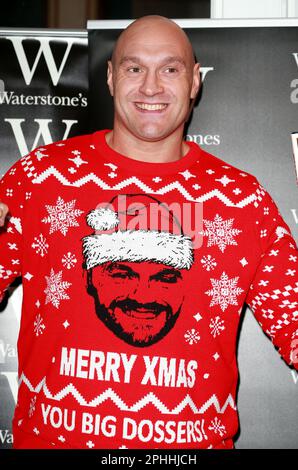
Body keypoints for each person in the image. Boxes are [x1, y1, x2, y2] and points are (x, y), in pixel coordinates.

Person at [0, 15, 297, 450]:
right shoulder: (41, 177)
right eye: (134, 68)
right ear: (110, 77)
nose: (151, 87)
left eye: (170, 69)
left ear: (195, 81)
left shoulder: (242, 200)